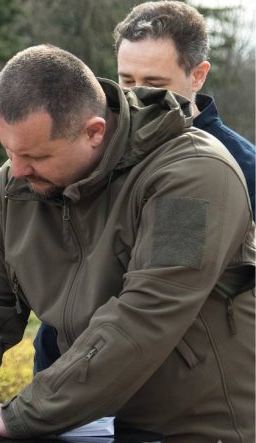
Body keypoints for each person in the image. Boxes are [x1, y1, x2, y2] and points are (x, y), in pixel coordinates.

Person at [0, 45, 254, 443]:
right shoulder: (14, 189)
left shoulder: (194, 179)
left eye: (37, 156)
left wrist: (21, 414)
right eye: (9, 151)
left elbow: (148, 315)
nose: (17, 171)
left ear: (94, 132)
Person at [33, 0, 256, 378]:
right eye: (126, 81)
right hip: (67, 375)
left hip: (182, 390)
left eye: (155, 84)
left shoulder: (239, 169)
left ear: (198, 75)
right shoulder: (93, 151)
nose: (137, 98)